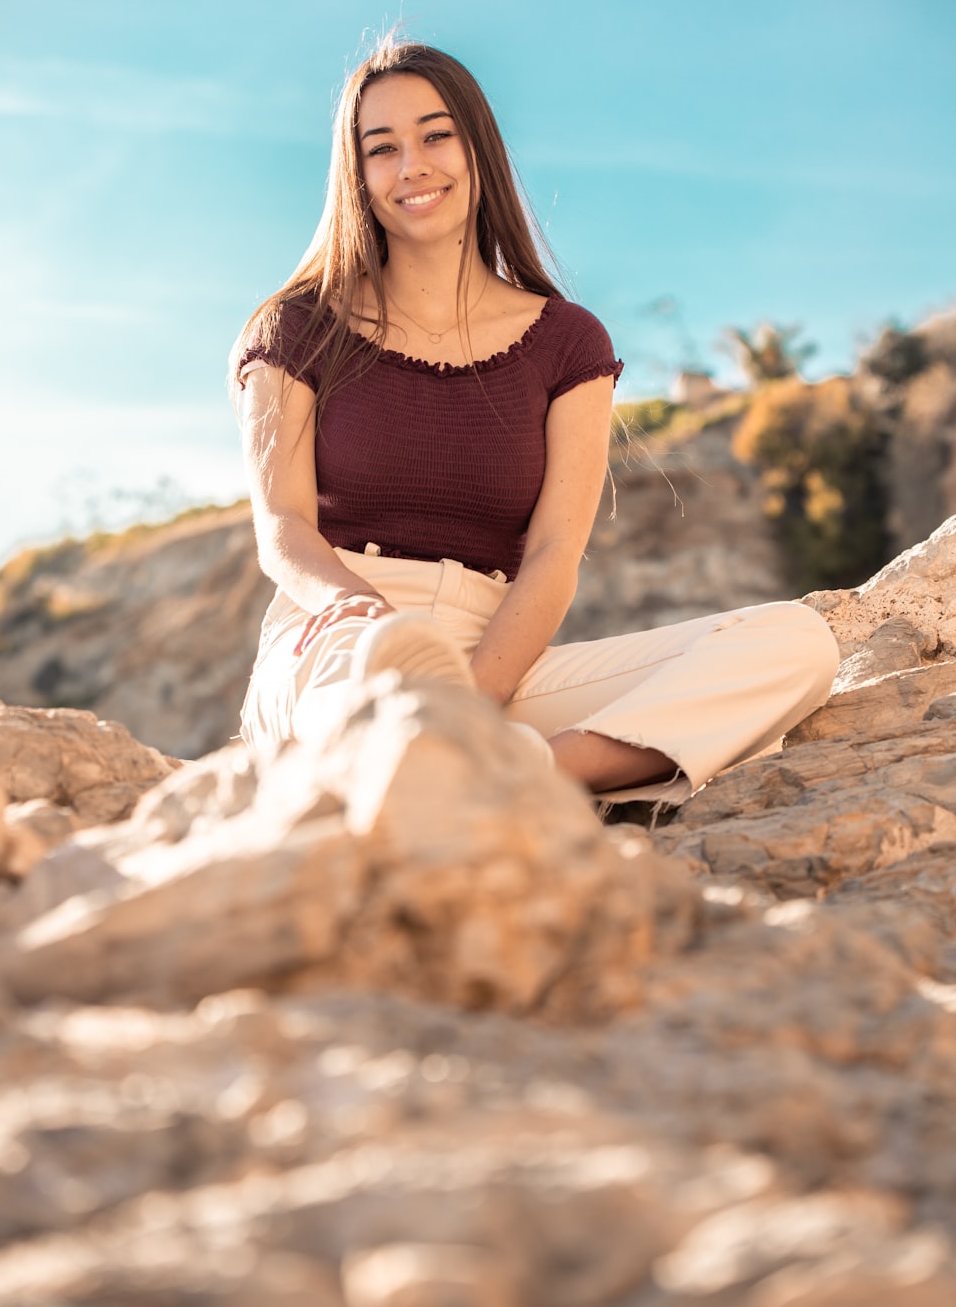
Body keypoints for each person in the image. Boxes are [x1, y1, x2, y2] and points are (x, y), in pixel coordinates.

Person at [231, 39, 839, 812]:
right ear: (357, 177)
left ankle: (516, 773)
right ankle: (423, 767)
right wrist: (365, 618)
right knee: (375, 693)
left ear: (478, 148)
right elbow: (282, 529)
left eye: (435, 135)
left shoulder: (567, 342)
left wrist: (472, 703)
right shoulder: (294, 328)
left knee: (796, 644)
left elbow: (554, 555)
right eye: (380, 149)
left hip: (497, 656)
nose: (412, 165)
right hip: (339, 634)